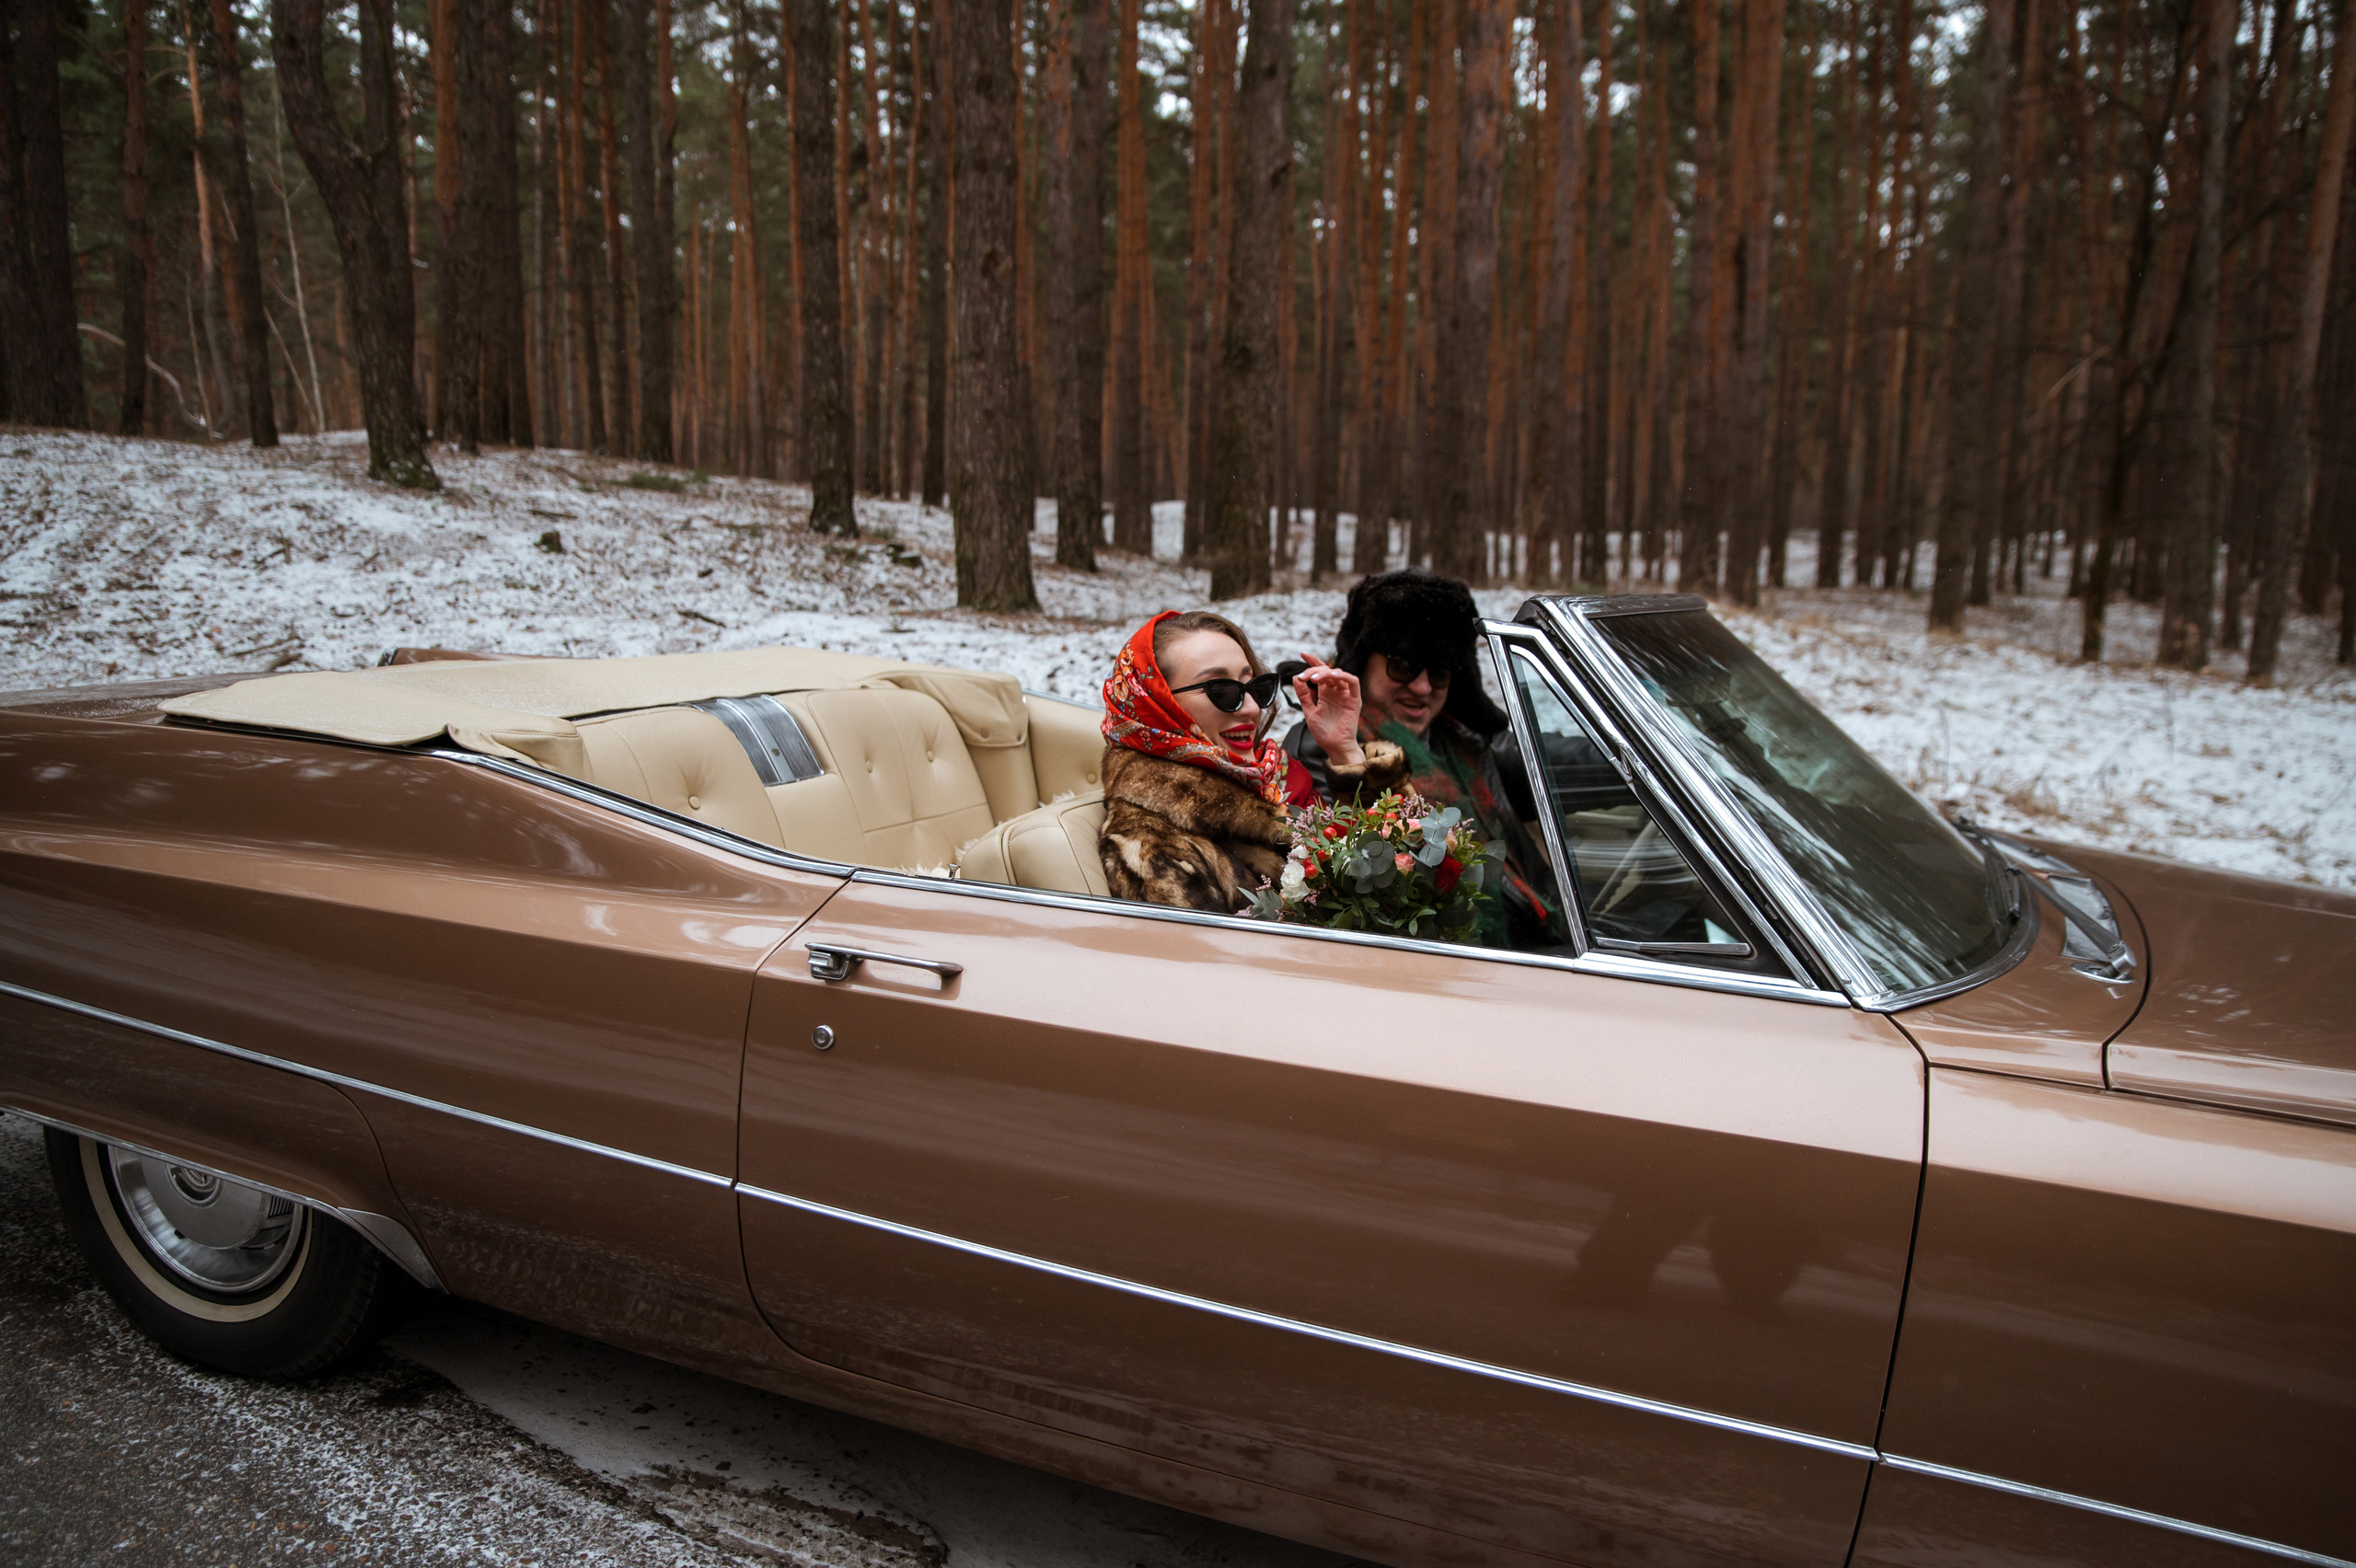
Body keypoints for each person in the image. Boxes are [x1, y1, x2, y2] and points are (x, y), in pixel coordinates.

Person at [1283, 571, 1554, 948]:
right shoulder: (1324, 747)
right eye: (1404, 666)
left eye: (1440, 672)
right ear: (1362, 661)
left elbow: (1560, 759)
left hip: (1528, 934)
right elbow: (1377, 875)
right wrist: (1347, 753)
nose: (1422, 687)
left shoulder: (1461, 741)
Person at [1098, 609, 1407, 912]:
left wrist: (1345, 750)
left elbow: (1400, 879)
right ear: (1156, 705)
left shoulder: (1281, 780)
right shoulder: (1151, 848)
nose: (1251, 709)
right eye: (1221, 690)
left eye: (1254, 687)